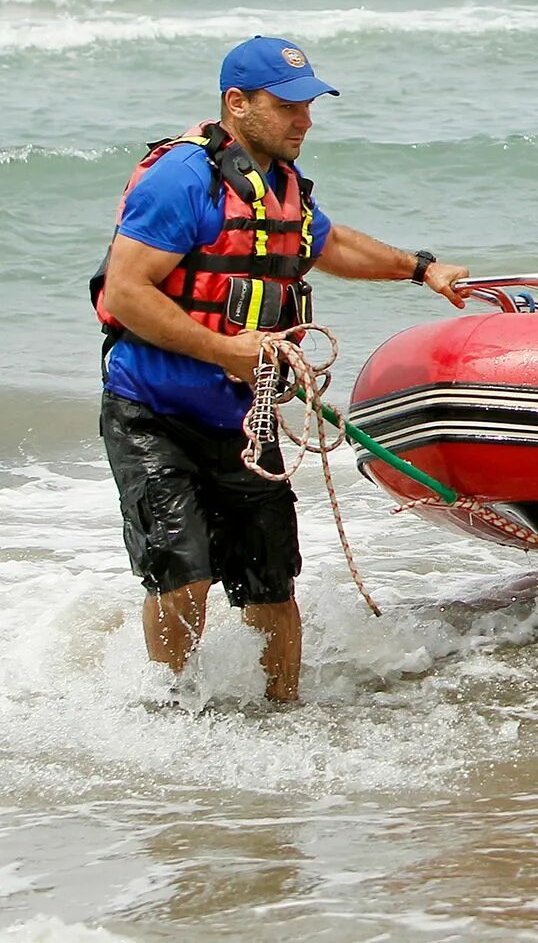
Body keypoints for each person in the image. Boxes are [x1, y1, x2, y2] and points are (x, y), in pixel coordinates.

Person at [92, 36, 472, 703]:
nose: (304, 120)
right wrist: (227, 349)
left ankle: (283, 712)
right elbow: (126, 292)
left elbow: (331, 243)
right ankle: (168, 710)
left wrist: (422, 268)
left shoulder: (277, 183)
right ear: (236, 103)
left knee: (271, 584)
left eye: (309, 105)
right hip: (153, 412)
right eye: (288, 104)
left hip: (244, 415)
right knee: (183, 573)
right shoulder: (182, 178)